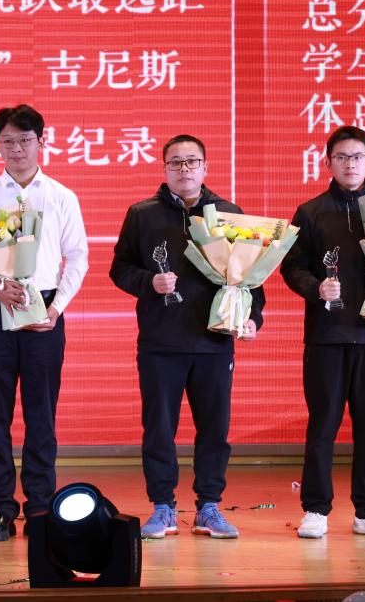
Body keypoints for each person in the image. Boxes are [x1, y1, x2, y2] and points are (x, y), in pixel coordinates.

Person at [109, 134, 263, 540]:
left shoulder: (229, 215)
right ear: (164, 169)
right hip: (160, 343)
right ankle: (163, 507)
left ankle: (209, 507)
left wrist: (252, 319)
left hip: (214, 340)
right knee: (159, 429)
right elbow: (119, 269)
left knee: (215, 429)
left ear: (205, 167)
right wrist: (149, 282)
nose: (184, 169)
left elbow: (251, 277)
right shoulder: (142, 215)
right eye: (175, 162)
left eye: (192, 161)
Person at [0, 104, 88, 541]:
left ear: (41, 143)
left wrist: (57, 307)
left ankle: (40, 507)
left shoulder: (62, 196)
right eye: (8, 141)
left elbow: (78, 257)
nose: (16, 149)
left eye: (25, 141)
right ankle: (0, 507)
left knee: (41, 414)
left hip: (45, 311)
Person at [281, 125, 365, 540]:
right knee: (322, 424)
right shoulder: (310, 212)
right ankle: (316, 508)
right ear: (328, 163)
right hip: (327, 335)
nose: (350, 164)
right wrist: (315, 288)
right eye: (341, 157)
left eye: (357, 157)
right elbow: (292, 266)